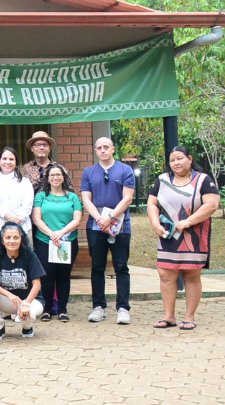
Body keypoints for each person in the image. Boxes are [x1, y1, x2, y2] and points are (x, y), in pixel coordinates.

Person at [148, 146, 221, 330]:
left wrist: (188, 221)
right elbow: (152, 203)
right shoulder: (162, 180)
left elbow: (212, 205)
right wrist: (156, 224)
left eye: (180, 158)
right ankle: (169, 316)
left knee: (191, 274)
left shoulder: (203, 180)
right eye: (172, 160)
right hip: (168, 234)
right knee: (165, 274)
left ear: (189, 159)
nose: (176, 163)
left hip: (194, 236)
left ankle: (189, 316)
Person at [80, 137, 135, 325]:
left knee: (121, 267)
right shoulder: (88, 172)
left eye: (106, 147)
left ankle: (123, 308)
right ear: (95, 151)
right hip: (96, 226)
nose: (102, 150)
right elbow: (86, 199)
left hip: (120, 225)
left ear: (113, 149)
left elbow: (127, 198)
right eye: (99, 148)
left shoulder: (125, 170)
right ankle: (99, 307)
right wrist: (99, 219)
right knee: (97, 267)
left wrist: (110, 218)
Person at [32, 163, 82, 322]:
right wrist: (52, 235)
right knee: (47, 276)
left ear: (64, 177)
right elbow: (37, 219)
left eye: (58, 175)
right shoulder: (41, 196)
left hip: (67, 242)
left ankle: (62, 309)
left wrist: (61, 233)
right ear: (47, 178)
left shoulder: (72, 197)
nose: (55, 177)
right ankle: (47, 310)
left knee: (63, 276)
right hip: (44, 241)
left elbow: (77, 218)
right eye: (52, 175)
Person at [0, 222, 45, 341]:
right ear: (2, 240)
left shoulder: (30, 256)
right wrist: (9, 295)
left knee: (30, 313)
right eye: (8, 237)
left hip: (32, 301)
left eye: (16, 237)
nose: (12, 241)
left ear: (22, 239)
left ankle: (27, 327)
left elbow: (37, 284)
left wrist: (26, 304)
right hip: (10, 301)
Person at [0, 147, 33, 253]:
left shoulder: (25, 182)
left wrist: (14, 220)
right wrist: (5, 215)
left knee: (25, 265)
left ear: (16, 163)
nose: (7, 162)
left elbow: (27, 206)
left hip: (22, 228)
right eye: (4, 158)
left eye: (11, 159)